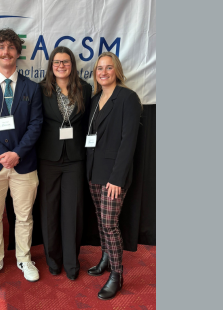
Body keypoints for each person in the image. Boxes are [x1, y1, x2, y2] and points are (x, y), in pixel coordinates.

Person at [0, 28, 43, 283]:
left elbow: (36, 124)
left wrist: (18, 154)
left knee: (24, 216)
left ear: (18, 52)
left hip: (24, 164)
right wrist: (3, 154)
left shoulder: (32, 88)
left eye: (10, 47)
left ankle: (24, 259)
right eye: (1, 48)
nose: (6, 52)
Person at [85, 52, 141, 300]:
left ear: (116, 70)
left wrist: (117, 178)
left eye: (108, 68)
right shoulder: (95, 98)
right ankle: (106, 258)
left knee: (110, 224)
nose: (103, 72)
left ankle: (117, 275)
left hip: (113, 176)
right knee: (100, 220)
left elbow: (129, 141)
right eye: (99, 68)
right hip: (94, 171)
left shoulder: (127, 98)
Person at [36, 46, 92, 280]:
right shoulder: (41, 89)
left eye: (65, 62)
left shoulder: (85, 89)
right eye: (57, 62)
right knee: (49, 211)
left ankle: (71, 263)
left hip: (75, 159)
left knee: (73, 211)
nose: (61, 66)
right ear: (51, 65)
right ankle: (53, 261)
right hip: (48, 157)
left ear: (72, 65)